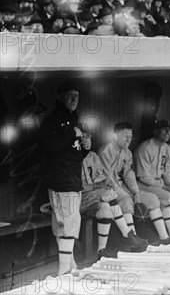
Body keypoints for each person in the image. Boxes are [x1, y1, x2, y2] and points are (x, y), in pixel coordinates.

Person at [40, 82, 91, 275]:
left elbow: (74, 156)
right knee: (69, 224)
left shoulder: (73, 120)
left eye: (76, 96)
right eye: (70, 96)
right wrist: (71, 133)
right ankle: (64, 272)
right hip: (61, 180)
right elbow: (51, 146)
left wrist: (85, 148)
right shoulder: (52, 121)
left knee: (63, 224)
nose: (73, 100)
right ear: (60, 97)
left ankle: (70, 266)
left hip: (70, 178)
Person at [98, 122, 170, 245]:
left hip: (122, 187)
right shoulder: (106, 151)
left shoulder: (127, 152)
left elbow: (129, 174)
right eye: (125, 135)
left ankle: (164, 238)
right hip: (107, 188)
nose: (128, 139)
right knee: (126, 198)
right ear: (115, 135)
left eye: (130, 136)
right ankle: (133, 241)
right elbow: (107, 179)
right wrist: (124, 192)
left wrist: (136, 191)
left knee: (152, 199)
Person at [80, 148, 148, 258]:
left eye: (88, 137)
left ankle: (101, 251)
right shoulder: (71, 156)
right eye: (82, 138)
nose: (86, 141)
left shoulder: (93, 156)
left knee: (106, 208)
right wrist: (102, 192)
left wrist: (107, 185)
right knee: (109, 195)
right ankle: (127, 233)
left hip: (94, 197)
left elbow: (100, 179)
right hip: (79, 199)